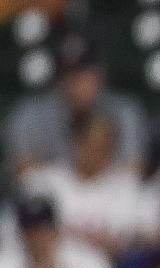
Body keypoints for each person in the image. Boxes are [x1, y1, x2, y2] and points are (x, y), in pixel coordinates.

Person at [5, 33, 146, 175]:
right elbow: (26, 174)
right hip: (51, 193)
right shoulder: (31, 114)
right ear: (58, 79)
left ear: (101, 72)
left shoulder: (124, 111)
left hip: (110, 193)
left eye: (85, 72)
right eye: (70, 74)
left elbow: (131, 172)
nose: (78, 82)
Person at [22, 108, 150, 254]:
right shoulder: (44, 184)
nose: (97, 152)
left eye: (104, 145)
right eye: (90, 144)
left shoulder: (128, 186)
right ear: (75, 142)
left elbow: (149, 236)